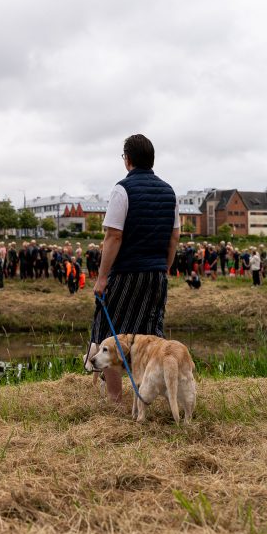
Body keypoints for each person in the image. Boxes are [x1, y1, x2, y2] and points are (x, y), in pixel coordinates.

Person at [89, 134, 180, 403]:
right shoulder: (169, 191)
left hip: (127, 271)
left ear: (127, 159)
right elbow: (174, 237)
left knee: (111, 330)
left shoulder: (122, 189)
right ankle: (152, 395)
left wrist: (102, 277)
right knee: (152, 333)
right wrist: (164, 268)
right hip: (155, 273)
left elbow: (113, 236)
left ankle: (115, 398)